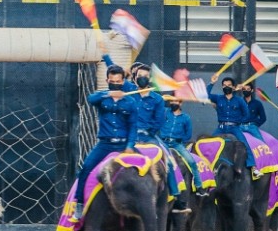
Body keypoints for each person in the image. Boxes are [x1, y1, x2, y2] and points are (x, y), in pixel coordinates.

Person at [71, 65, 138, 222]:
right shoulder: (102, 97)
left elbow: (133, 126)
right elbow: (90, 99)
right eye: (112, 81)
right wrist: (109, 93)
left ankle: (145, 206)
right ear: (107, 80)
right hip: (104, 145)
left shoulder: (130, 101)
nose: (115, 83)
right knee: (85, 169)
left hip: (123, 145)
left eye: (118, 81)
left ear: (123, 81)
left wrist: (130, 146)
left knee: (144, 170)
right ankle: (79, 205)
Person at [129, 63, 187, 211]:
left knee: (168, 160)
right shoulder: (129, 95)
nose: (143, 78)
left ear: (149, 79)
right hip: (130, 135)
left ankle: (176, 195)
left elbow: (159, 120)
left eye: (146, 76)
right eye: (140, 76)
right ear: (135, 78)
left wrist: (148, 132)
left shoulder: (157, 99)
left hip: (149, 136)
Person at [206, 75, 262, 179]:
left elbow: (246, 114)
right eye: (224, 85)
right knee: (209, 143)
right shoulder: (218, 98)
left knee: (245, 144)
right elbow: (205, 95)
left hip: (234, 128)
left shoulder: (239, 100)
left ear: (233, 87)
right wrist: (212, 83)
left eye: (229, 85)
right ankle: (206, 168)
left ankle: (253, 167)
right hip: (221, 127)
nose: (226, 87)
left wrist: (238, 122)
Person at [160, 98, 208, 198]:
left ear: (181, 103)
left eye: (176, 101)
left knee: (192, 162)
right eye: (172, 101)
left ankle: (199, 186)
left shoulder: (186, 118)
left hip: (177, 144)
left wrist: (179, 140)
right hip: (163, 142)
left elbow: (188, 134)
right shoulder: (165, 112)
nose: (173, 103)